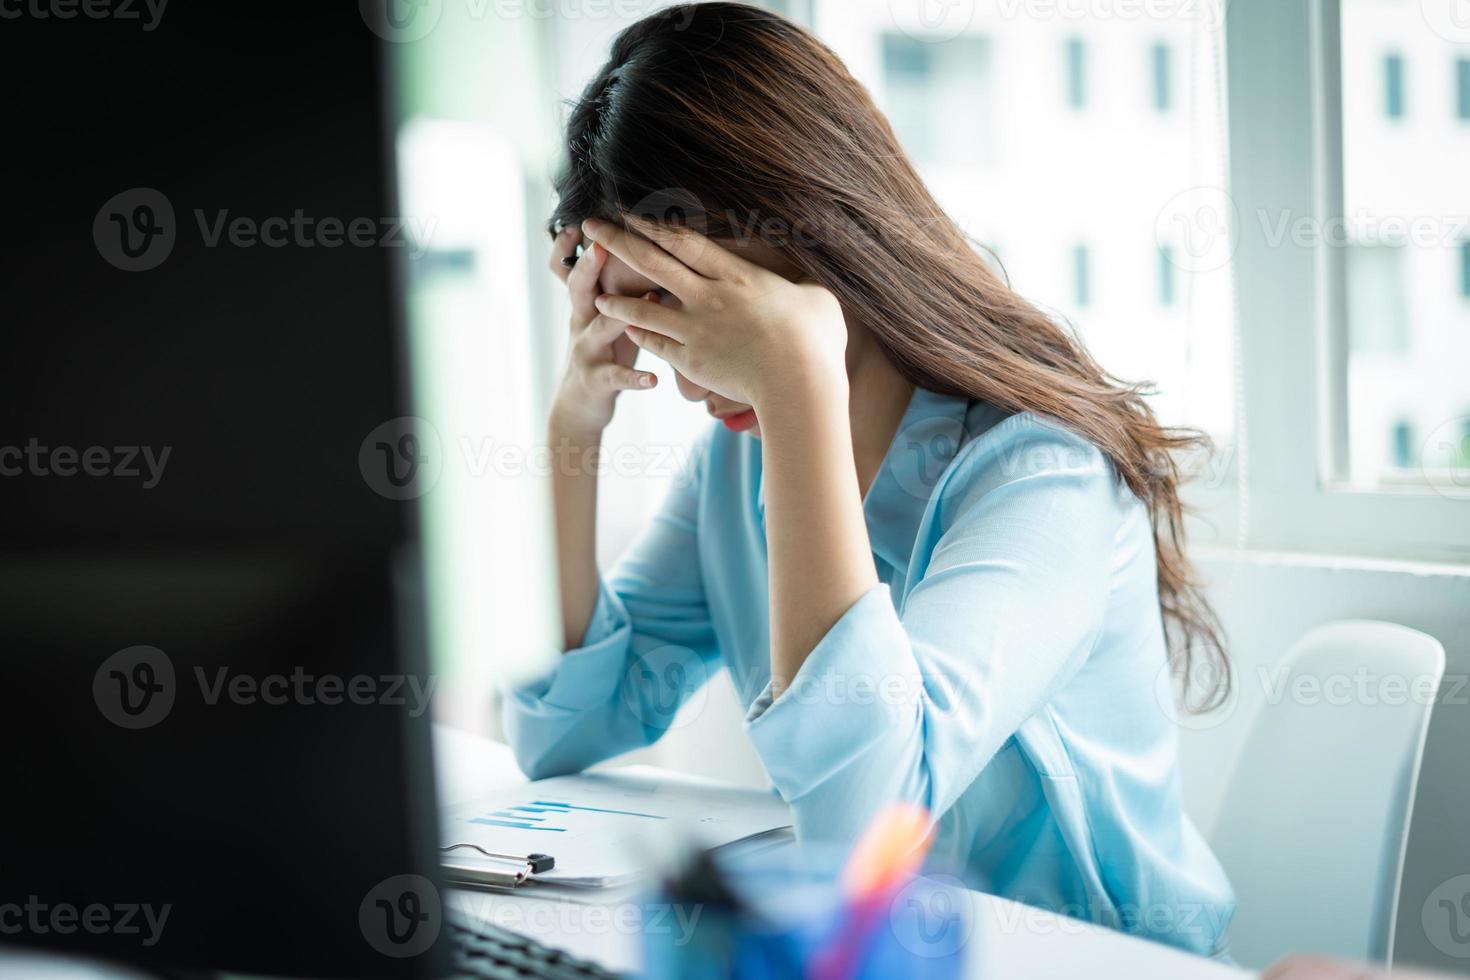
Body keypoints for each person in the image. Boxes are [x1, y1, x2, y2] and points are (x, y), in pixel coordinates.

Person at [505, 2, 1234, 957]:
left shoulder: (1043, 472)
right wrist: (575, 427)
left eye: (696, 317)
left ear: (810, 240)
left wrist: (797, 379)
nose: (685, 381)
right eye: (652, 327)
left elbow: (867, 828)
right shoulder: (737, 460)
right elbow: (564, 735)